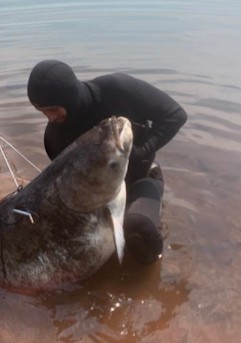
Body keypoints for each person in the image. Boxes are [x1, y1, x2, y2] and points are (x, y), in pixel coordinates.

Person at [27, 59, 187, 264]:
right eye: (43, 112)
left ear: (68, 97)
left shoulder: (117, 90)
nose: (50, 117)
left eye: (53, 109)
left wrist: (141, 151)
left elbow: (175, 115)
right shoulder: (54, 137)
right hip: (97, 200)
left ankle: (145, 282)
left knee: (138, 229)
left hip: (139, 178)